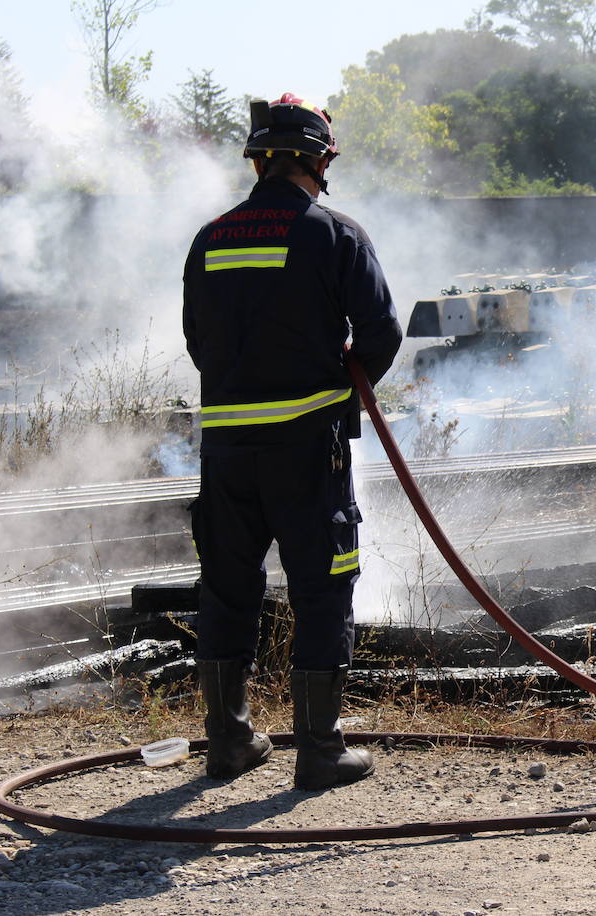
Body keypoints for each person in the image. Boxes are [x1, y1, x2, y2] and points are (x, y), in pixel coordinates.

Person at [182, 93, 402, 790]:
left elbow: (197, 341)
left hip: (225, 453)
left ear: (258, 162)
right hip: (307, 449)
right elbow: (381, 333)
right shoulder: (334, 234)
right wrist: (340, 383)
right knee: (321, 586)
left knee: (225, 588)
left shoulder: (210, 238)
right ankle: (319, 751)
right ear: (319, 162)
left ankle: (229, 743)